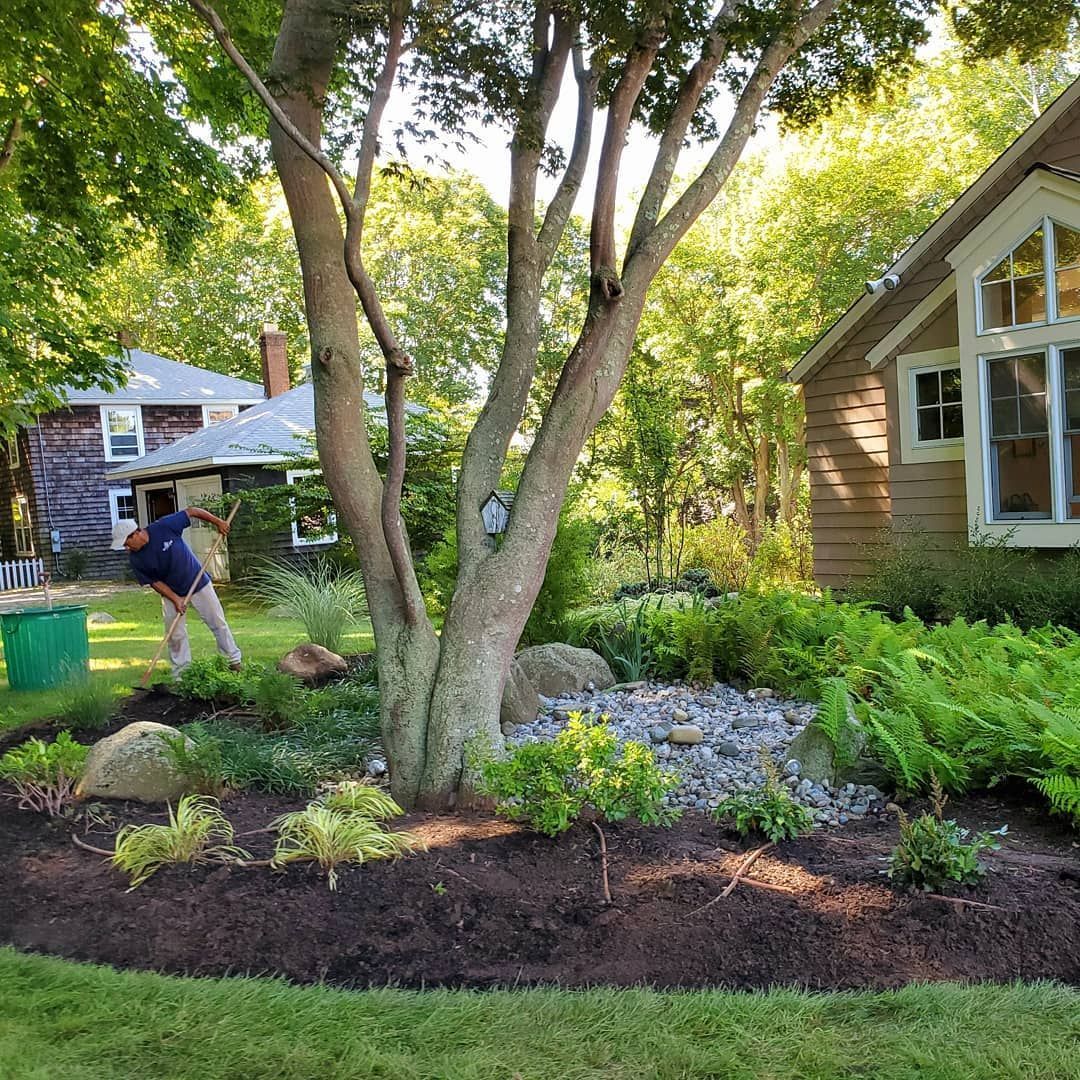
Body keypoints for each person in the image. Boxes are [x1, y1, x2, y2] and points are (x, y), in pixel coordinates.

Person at [110, 506, 241, 676]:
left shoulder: (164, 526)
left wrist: (218, 522)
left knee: (217, 623)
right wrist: (175, 599)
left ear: (135, 534)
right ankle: (181, 672)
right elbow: (154, 582)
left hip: (197, 581)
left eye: (127, 543)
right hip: (171, 592)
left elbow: (192, 511)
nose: (127, 548)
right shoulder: (136, 559)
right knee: (175, 634)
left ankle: (233, 661)